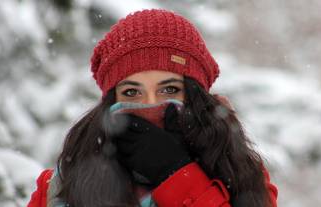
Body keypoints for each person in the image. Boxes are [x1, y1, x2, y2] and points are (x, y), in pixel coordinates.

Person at [27, 9, 278, 207]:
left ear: (195, 97)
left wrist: (176, 175)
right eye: (131, 92)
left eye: (169, 90)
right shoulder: (59, 187)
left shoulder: (241, 177)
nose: (149, 104)